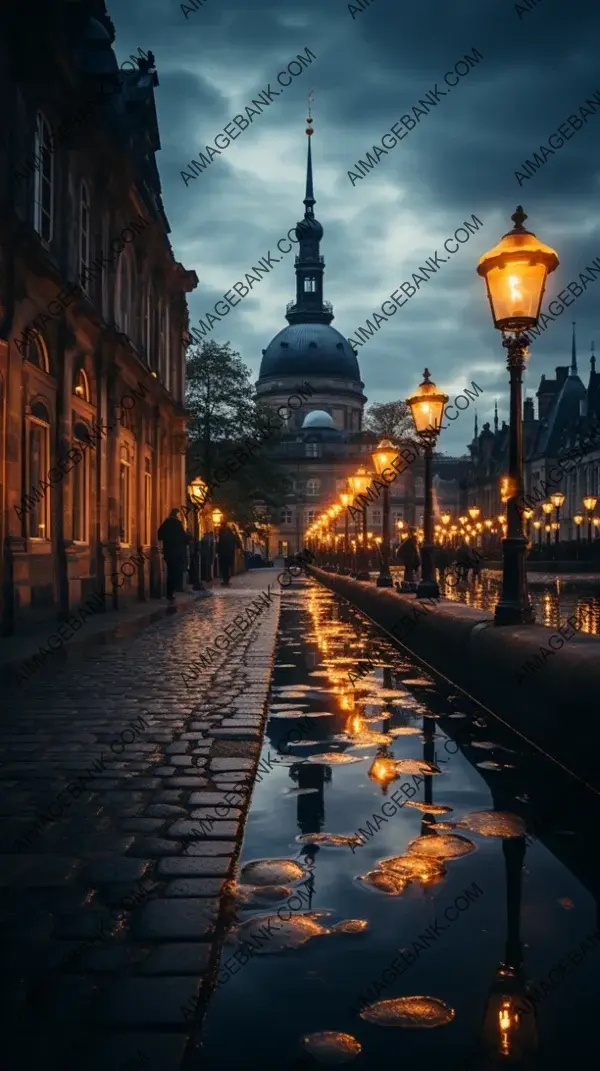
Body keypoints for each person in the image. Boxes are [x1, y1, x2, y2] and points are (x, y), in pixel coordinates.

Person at [157, 509, 191, 603]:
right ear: (176, 515)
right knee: (175, 573)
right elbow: (183, 537)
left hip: (169, 553)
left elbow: (159, 534)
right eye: (179, 515)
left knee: (170, 573)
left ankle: (170, 592)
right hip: (177, 553)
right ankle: (171, 592)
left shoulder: (166, 523)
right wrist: (188, 537)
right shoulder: (177, 524)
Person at [217, 522, 242, 586]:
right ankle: (226, 580)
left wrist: (217, 551)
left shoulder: (222, 533)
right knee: (227, 567)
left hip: (223, 553)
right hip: (229, 552)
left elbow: (219, 543)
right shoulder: (230, 533)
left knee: (224, 567)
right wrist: (239, 548)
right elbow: (237, 541)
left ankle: (226, 580)